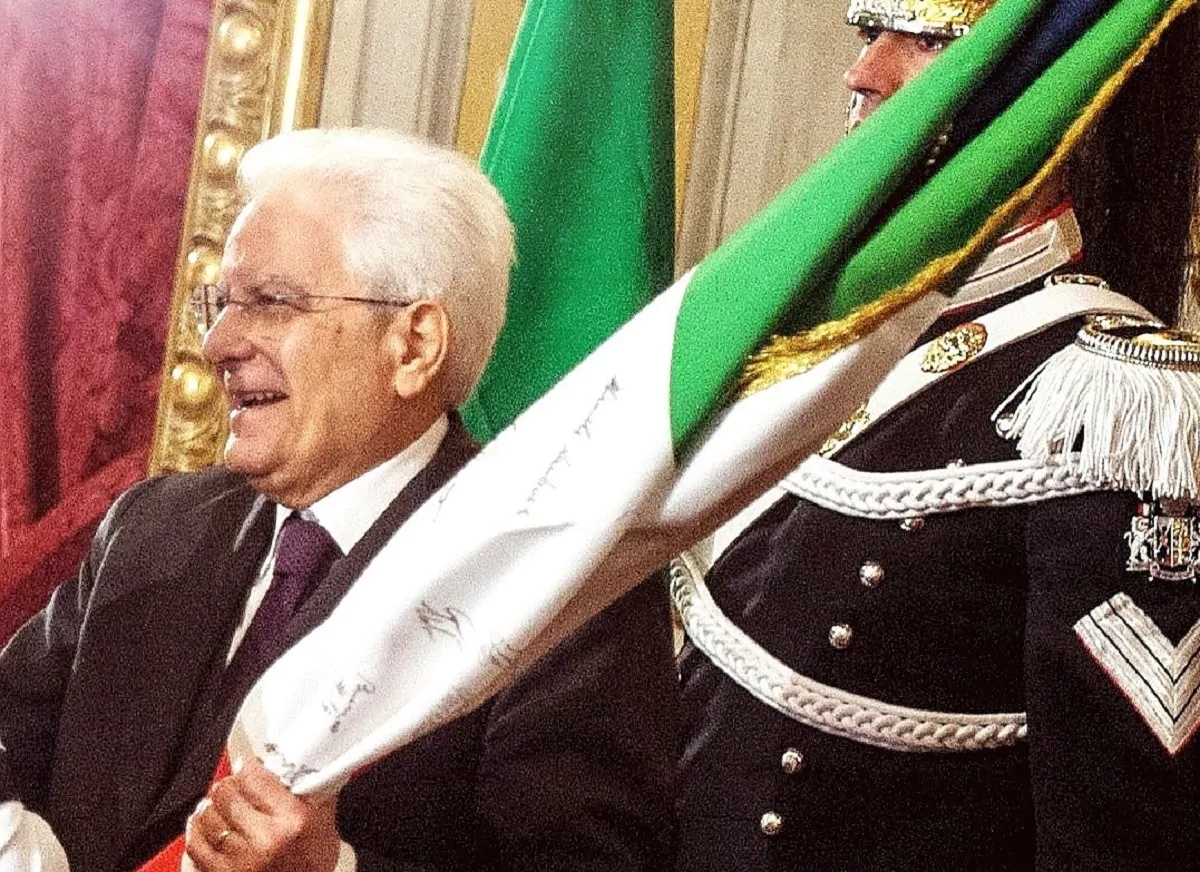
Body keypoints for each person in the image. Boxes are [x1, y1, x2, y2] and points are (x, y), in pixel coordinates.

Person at [0, 128, 679, 872]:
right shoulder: (153, 525)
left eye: (270, 303)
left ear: (413, 345)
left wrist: (332, 870)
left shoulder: (560, 579)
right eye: (221, 303)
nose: (219, 343)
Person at [674, 1, 1200, 870]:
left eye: (928, 39)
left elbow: (1117, 833)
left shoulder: (1109, 403)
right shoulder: (819, 334)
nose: (863, 74)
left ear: (1045, 83)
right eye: (866, 32)